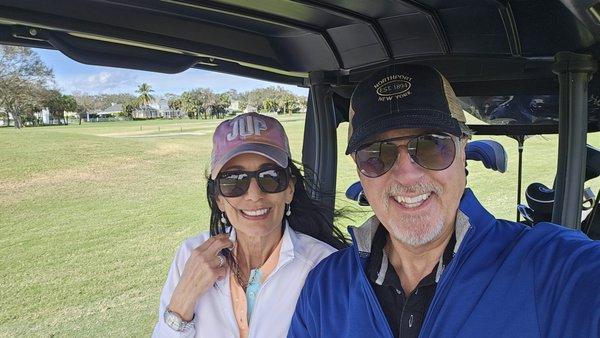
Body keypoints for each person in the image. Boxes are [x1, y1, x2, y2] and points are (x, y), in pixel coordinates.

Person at [288, 64, 600, 337]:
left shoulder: (552, 268)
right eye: (376, 154)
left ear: (464, 150)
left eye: (432, 146)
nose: (407, 175)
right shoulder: (326, 287)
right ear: (359, 168)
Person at [153, 112, 347, 338]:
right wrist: (182, 300)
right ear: (219, 199)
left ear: (290, 190)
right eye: (234, 180)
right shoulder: (190, 256)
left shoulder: (325, 268)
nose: (254, 196)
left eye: (270, 176)